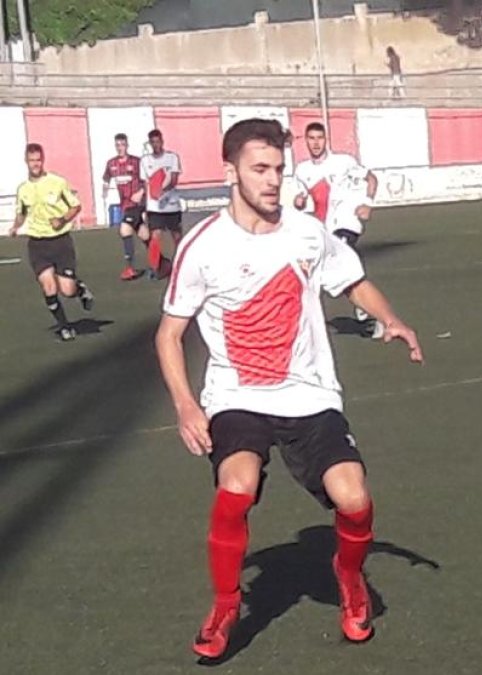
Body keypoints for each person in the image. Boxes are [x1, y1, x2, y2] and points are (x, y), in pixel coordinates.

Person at [155, 118, 424, 660]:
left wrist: (390, 317)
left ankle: (349, 578)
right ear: (230, 172)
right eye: (260, 168)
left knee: (355, 498)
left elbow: (351, 280)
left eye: (279, 168)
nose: (273, 179)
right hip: (237, 396)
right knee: (236, 486)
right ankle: (228, 604)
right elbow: (169, 335)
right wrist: (187, 406)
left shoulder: (305, 230)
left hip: (309, 393)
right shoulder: (202, 246)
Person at [293, 122, 381, 335]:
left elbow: (371, 179)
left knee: (338, 265)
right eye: (311, 138)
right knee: (331, 271)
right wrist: (299, 201)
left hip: (347, 222)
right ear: (306, 141)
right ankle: (367, 309)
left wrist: (368, 203)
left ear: (326, 140)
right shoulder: (302, 170)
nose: (315, 143)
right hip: (324, 228)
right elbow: (302, 198)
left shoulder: (343, 162)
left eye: (319, 138)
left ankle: (374, 314)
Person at [8, 143, 95, 342]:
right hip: (38, 245)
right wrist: (15, 227)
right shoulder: (23, 190)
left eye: (38, 160)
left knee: (67, 290)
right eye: (32, 161)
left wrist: (62, 219)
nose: (35, 164)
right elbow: (21, 213)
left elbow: (76, 206)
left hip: (61, 243)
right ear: (26, 162)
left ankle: (79, 288)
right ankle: (64, 327)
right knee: (48, 287)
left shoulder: (57, 182)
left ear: (43, 160)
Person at [102, 133, 147, 280]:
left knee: (124, 230)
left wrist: (141, 192)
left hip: (136, 204)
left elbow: (148, 179)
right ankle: (161, 263)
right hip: (125, 205)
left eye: (122, 145)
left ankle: (130, 268)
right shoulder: (111, 164)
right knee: (144, 235)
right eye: (118, 145)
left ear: (127, 145)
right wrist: (105, 189)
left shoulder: (136, 162)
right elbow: (106, 177)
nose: (120, 148)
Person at [141, 128, 184, 279]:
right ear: (150, 143)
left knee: (177, 236)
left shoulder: (172, 158)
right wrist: (145, 206)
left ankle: (181, 264)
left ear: (162, 141)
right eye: (153, 142)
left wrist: (162, 190)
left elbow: (174, 180)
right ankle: (154, 268)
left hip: (171, 204)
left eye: (158, 141)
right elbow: (146, 184)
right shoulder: (145, 161)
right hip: (155, 206)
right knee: (155, 236)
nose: (155, 145)